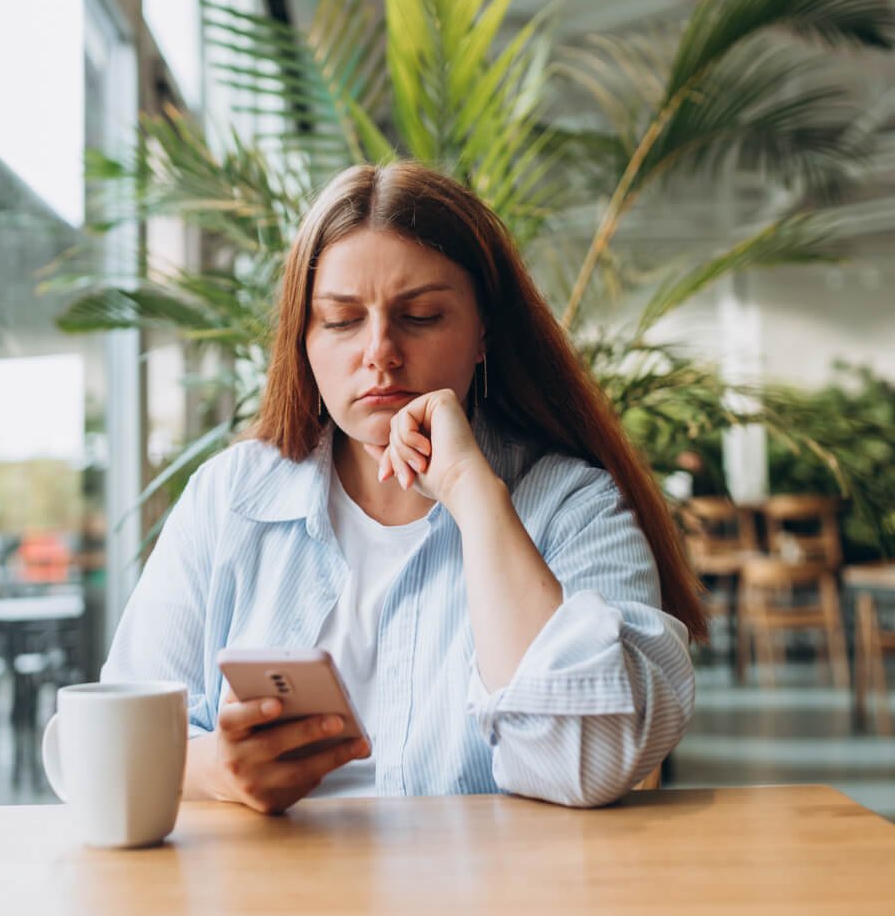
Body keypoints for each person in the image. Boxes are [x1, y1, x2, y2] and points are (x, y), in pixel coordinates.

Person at [102, 162, 707, 814]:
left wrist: (472, 493)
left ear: (483, 335)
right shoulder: (230, 499)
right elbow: (107, 741)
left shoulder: (573, 506)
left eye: (420, 316)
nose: (380, 352)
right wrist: (217, 771)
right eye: (340, 321)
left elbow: (588, 761)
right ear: (301, 340)